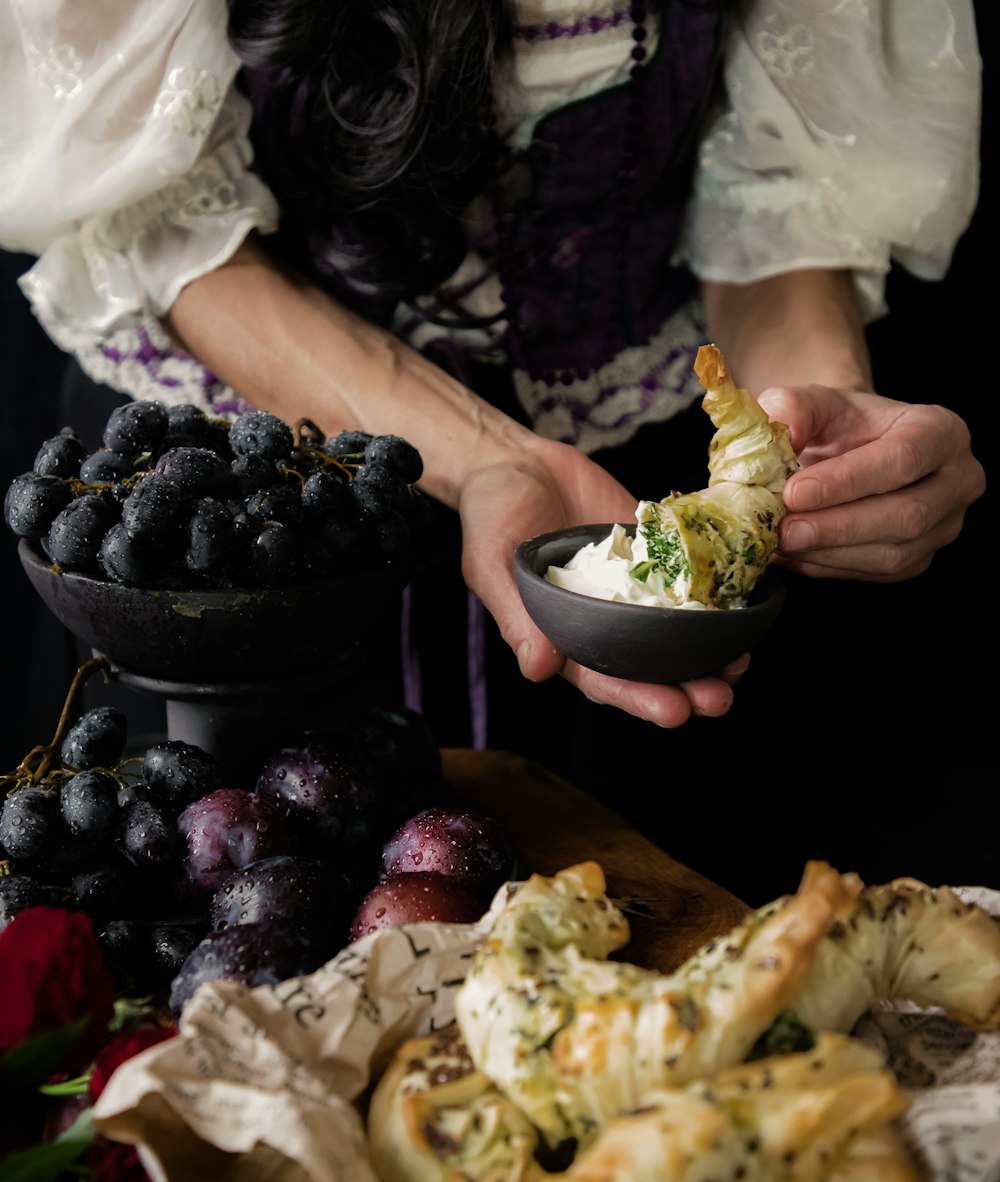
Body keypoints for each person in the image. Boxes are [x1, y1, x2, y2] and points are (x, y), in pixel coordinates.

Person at [0, 1, 990, 899]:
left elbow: (787, 198)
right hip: (254, 527)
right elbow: (162, 218)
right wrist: (479, 457)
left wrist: (821, 415)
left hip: (617, 506)